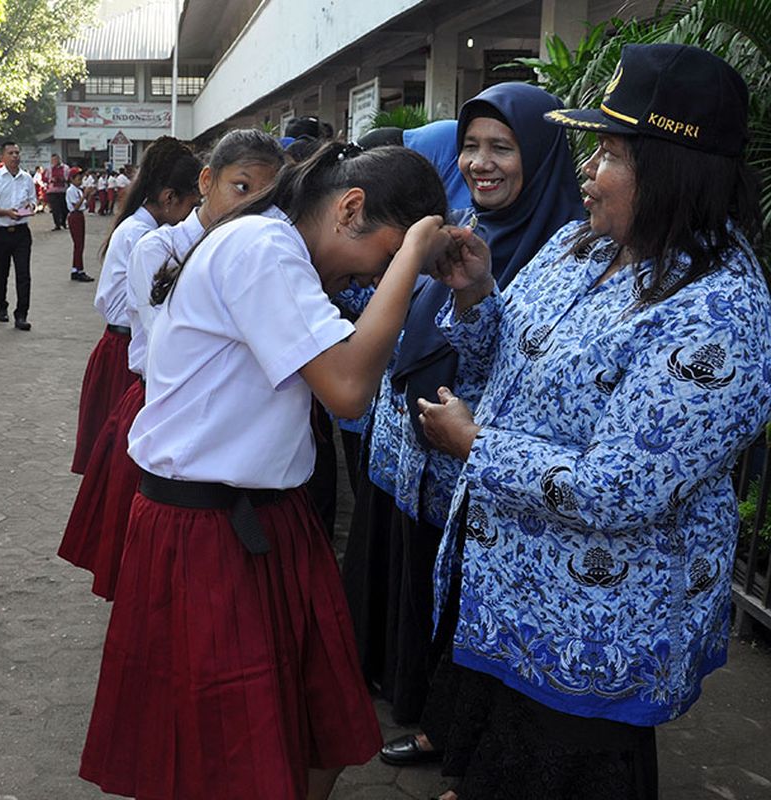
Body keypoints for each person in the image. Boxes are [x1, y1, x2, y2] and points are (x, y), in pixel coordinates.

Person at [414, 44, 770, 800]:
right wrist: (477, 294)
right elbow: (505, 360)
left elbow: (620, 488)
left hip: (595, 629)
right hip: (511, 589)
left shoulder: (717, 313)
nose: (587, 171)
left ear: (673, 168)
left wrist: (475, 446)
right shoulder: (586, 243)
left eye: (608, 153)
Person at [79, 141, 451, 799]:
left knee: (320, 726)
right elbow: (345, 388)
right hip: (208, 531)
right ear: (350, 208)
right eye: (384, 255)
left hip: (261, 520)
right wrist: (414, 257)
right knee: (226, 756)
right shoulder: (261, 248)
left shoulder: (274, 248)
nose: (374, 278)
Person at [342, 83, 585, 756]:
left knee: (459, 607)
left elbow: (526, 366)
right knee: (406, 591)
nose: (482, 163)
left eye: (501, 148)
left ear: (539, 156)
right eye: (471, 146)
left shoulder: (564, 255)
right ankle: (415, 707)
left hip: (476, 479)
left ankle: (450, 737)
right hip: (406, 459)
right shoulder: (459, 228)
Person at [60, 129, 284, 600]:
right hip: (162, 396)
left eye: (266, 197)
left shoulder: (254, 246)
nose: (250, 207)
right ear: (205, 183)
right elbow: (163, 340)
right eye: (241, 189)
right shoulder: (157, 246)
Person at [71, 137, 201, 474]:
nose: (194, 216)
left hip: (124, 347)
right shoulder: (144, 237)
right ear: (169, 198)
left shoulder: (147, 227)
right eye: (193, 205)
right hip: (126, 352)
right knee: (122, 461)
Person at [0, 141, 37, 331]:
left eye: (17, 153)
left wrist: (30, 208)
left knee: (23, 275)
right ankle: (1, 307)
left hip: (21, 232)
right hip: (1, 231)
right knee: (1, 273)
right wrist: (6, 213)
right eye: (11, 153)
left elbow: (33, 201)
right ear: (2, 157)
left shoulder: (27, 178)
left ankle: (22, 314)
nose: (15, 156)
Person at [65, 168, 92, 282]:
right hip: (74, 216)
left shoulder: (78, 190)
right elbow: (76, 206)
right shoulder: (71, 191)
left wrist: (89, 195)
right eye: (78, 178)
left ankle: (76, 269)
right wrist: (84, 196)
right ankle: (78, 270)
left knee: (80, 244)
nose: (80, 181)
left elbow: (84, 206)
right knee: (78, 244)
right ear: (72, 179)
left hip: (80, 215)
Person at [46, 153, 69, 231]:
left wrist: (63, 179)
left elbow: (68, 178)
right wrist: (51, 180)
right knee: (55, 209)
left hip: (63, 190)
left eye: (56, 159)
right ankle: (57, 224)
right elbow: (46, 178)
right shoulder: (49, 169)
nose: (54, 161)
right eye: (53, 160)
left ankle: (63, 222)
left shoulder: (65, 168)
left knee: (64, 208)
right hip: (52, 191)